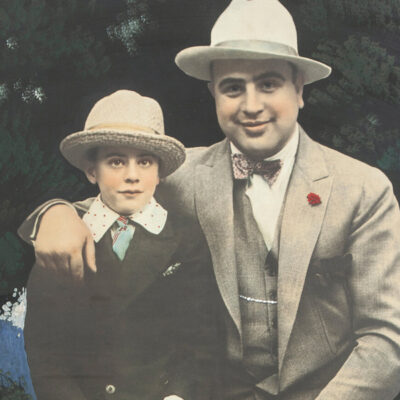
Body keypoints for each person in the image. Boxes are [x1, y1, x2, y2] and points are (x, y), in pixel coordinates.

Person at [19, 0, 400, 399]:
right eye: (233, 87)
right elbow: (112, 202)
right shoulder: (179, 175)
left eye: (269, 84)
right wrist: (55, 213)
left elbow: (387, 338)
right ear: (213, 93)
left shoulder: (362, 189)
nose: (251, 106)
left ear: (299, 89)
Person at [21, 90, 218, 400]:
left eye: (145, 162)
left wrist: (178, 395)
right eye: (116, 162)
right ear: (92, 171)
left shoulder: (187, 238)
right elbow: (47, 355)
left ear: (159, 173)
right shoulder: (64, 235)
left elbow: (201, 340)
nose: (132, 176)